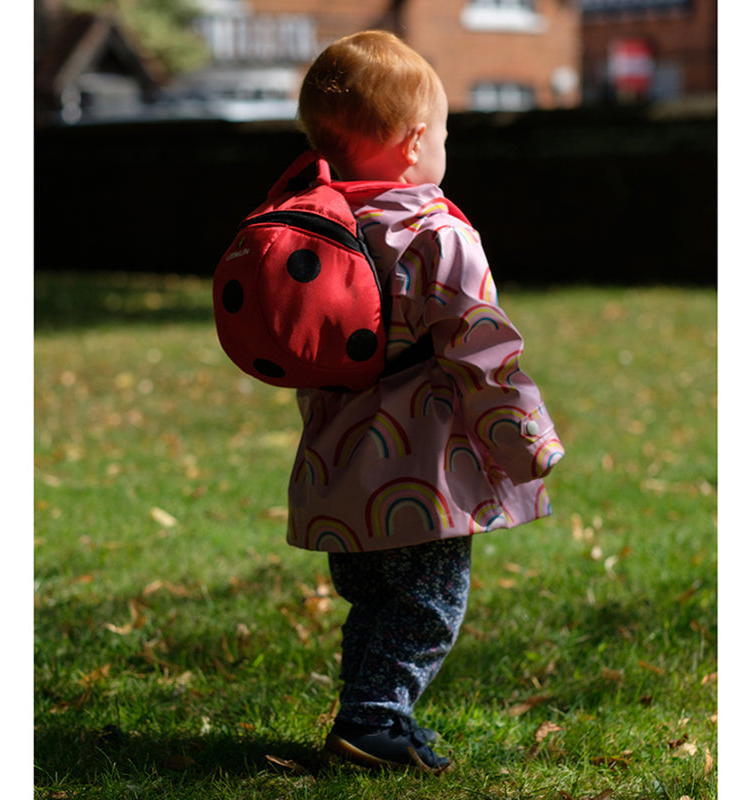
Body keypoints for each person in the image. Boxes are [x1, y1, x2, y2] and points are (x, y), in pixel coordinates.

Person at [287, 30, 565, 772]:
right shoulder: (436, 236)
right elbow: (484, 351)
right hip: (419, 476)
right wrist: (526, 443)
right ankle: (375, 723)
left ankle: (367, 717)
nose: (446, 144)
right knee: (425, 608)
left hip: (340, 472)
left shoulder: (318, 227)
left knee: (377, 604)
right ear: (414, 143)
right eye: (444, 131)